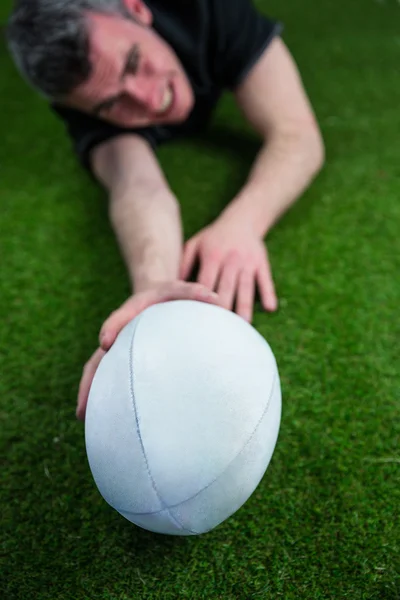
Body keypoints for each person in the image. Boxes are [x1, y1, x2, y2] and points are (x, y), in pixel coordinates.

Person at [6, 0, 324, 420]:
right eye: (111, 105)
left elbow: (296, 133)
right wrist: (153, 287)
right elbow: (138, 187)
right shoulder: (81, 94)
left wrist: (242, 223)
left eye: (134, 62)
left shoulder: (213, 11)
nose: (146, 100)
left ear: (137, 9)